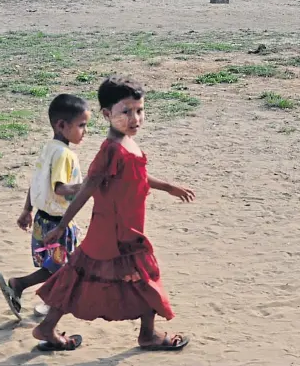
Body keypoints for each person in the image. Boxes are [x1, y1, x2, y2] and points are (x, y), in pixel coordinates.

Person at [31, 76, 196, 352]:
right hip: (117, 232)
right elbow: (86, 190)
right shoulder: (110, 150)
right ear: (107, 114)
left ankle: (47, 327)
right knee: (146, 276)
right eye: (126, 112)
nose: (135, 118)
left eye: (139, 110)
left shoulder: (128, 144)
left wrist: (168, 187)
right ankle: (148, 335)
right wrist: (63, 225)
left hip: (123, 228)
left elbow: (138, 175)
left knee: (79, 276)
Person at [0, 94, 90, 320]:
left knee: (57, 264)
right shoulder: (64, 154)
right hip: (58, 223)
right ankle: (21, 285)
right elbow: (59, 188)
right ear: (61, 125)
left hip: (41, 218)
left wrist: (27, 209)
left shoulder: (48, 148)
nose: (85, 131)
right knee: (59, 266)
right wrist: (87, 185)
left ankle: (49, 300)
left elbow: (37, 182)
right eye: (82, 125)